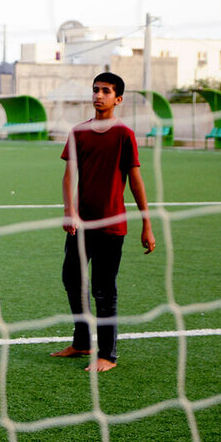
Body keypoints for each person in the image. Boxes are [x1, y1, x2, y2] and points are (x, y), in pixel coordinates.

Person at [51, 72, 155, 373]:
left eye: (106, 91)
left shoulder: (124, 134)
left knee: (104, 289)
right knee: (72, 279)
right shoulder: (78, 133)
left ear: (118, 99)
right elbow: (69, 175)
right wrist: (69, 209)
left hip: (112, 226)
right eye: (95, 90)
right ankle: (82, 342)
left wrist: (146, 224)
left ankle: (107, 354)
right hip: (80, 224)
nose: (99, 95)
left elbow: (135, 180)